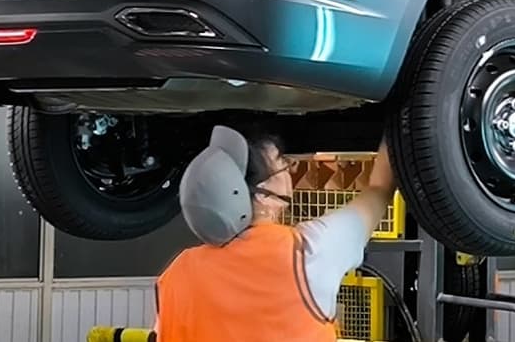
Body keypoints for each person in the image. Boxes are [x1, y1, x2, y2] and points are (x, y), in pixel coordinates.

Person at [153, 124, 396, 342]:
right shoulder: (308, 252)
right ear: (261, 194)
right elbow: (379, 189)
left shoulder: (176, 275)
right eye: (282, 165)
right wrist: (403, 119)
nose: (290, 172)